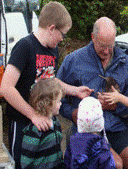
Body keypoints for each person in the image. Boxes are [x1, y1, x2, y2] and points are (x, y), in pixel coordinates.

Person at [0, 2, 93, 168]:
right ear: (52, 28)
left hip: (45, 121)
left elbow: (49, 80)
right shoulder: (25, 47)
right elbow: (6, 87)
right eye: (63, 34)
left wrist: (74, 90)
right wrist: (33, 115)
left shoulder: (52, 49)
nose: (62, 39)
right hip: (23, 123)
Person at [56, 17, 128, 169]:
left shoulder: (125, 63)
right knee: (115, 164)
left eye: (110, 46)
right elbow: (56, 96)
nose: (106, 51)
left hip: (117, 129)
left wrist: (116, 106)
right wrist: (72, 113)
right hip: (87, 131)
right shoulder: (73, 60)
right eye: (102, 46)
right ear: (93, 37)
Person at [21, 78, 65, 169]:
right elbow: (26, 160)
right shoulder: (34, 130)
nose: (61, 104)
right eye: (58, 101)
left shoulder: (56, 122)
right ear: (48, 103)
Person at [64, 96, 116, 169]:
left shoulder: (72, 142)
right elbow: (109, 165)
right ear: (101, 123)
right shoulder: (101, 146)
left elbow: (67, 163)